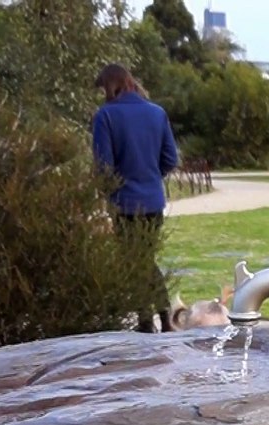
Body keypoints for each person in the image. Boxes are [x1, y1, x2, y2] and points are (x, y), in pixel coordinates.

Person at [91, 63, 180, 332]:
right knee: (144, 258)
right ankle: (161, 317)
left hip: (124, 202)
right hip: (152, 199)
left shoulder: (105, 116)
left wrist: (108, 190)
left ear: (110, 86)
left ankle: (148, 320)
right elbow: (170, 159)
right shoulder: (157, 113)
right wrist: (150, 176)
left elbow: (104, 166)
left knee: (134, 261)